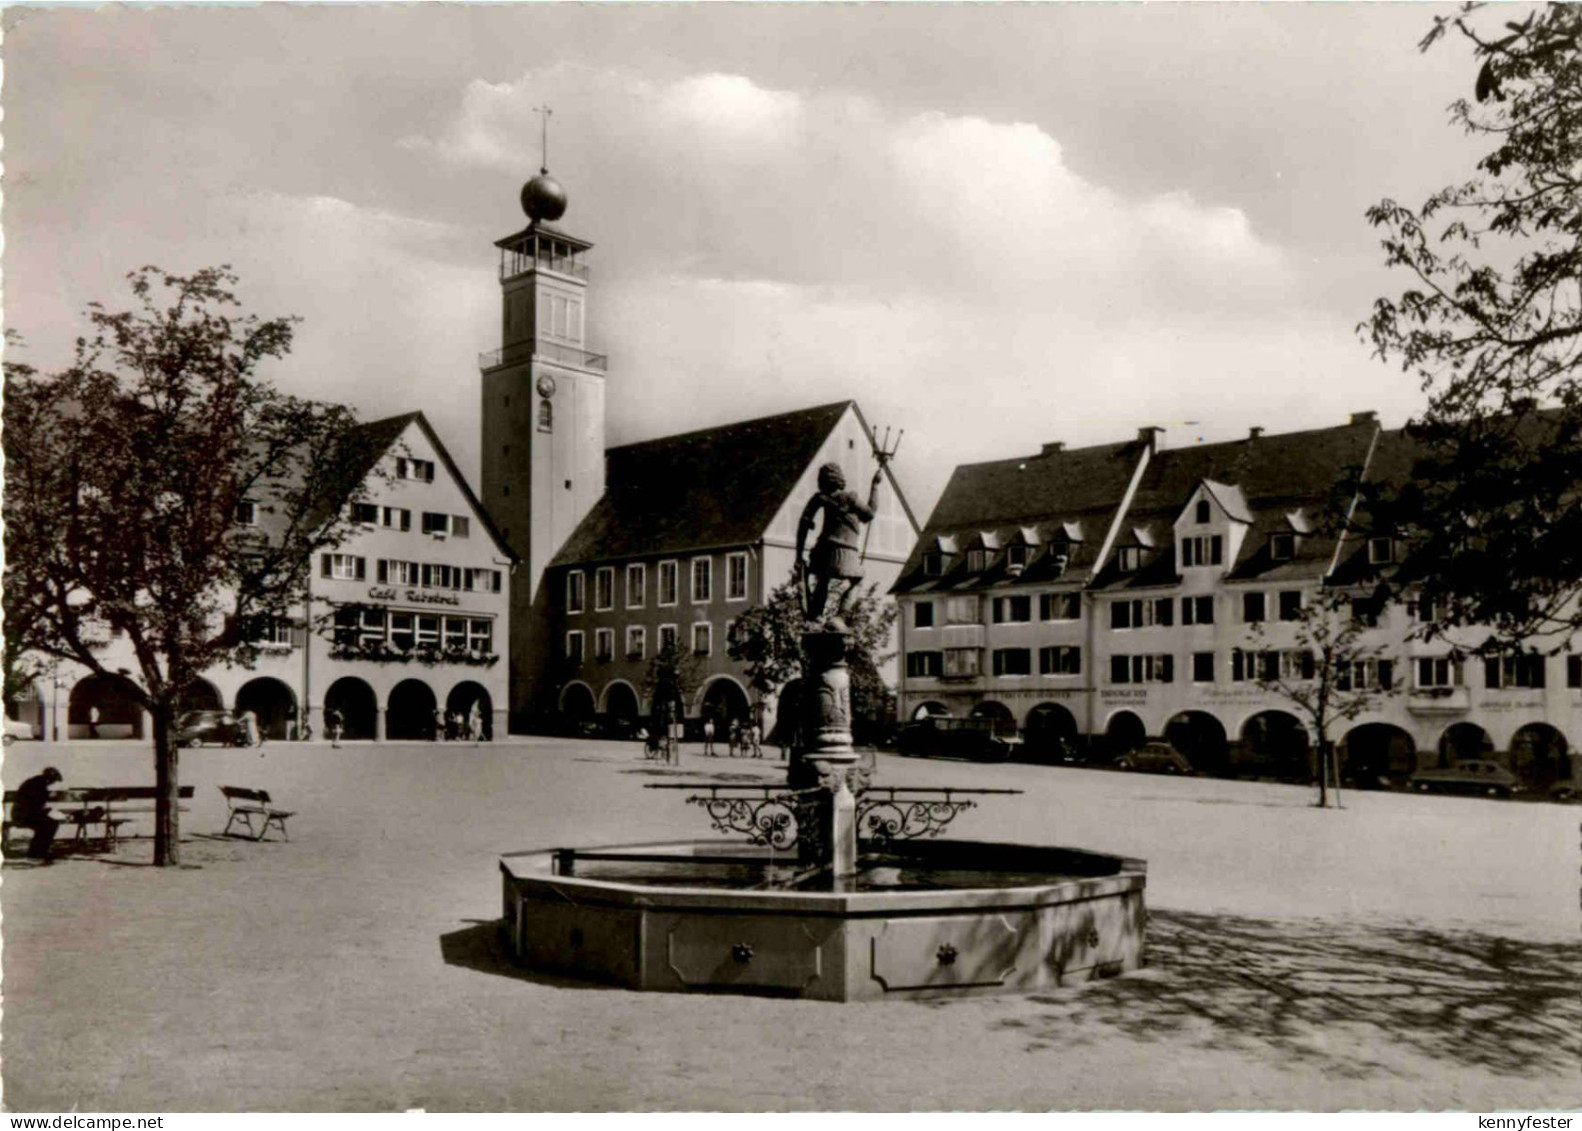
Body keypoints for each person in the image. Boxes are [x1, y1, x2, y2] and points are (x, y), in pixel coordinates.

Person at [794, 462, 883, 623]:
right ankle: (840, 617)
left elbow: (803, 525)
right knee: (858, 580)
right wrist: (875, 485)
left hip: (822, 550)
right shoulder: (849, 498)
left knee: (822, 580)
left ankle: (816, 617)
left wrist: (798, 556)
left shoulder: (819, 498)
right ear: (839, 478)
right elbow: (869, 514)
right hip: (845, 550)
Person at [12, 766, 63, 864]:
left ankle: (38, 851)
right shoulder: (39, 785)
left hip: (23, 814)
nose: (52, 783)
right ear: (49, 779)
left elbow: (34, 805)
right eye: (53, 781)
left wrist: (45, 810)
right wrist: (46, 811)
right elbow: (33, 805)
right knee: (49, 824)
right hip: (23, 815)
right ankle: (37, 852)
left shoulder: (37, 782)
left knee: (49, 823)